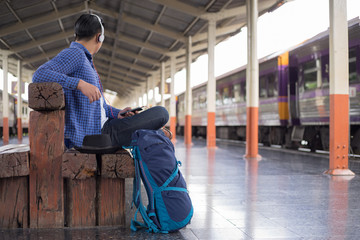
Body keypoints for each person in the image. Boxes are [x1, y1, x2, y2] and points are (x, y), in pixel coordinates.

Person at [32, 13, 170, 149]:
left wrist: (118, 113)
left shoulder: (86, 61)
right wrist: (79, 84)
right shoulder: (76, 54)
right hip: (97, 135)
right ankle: (157, 134)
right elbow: (39, 75)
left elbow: (100, 108)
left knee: (156, 121)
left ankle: (156, 134)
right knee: (161, 113)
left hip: (103, 128)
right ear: (100, 37)